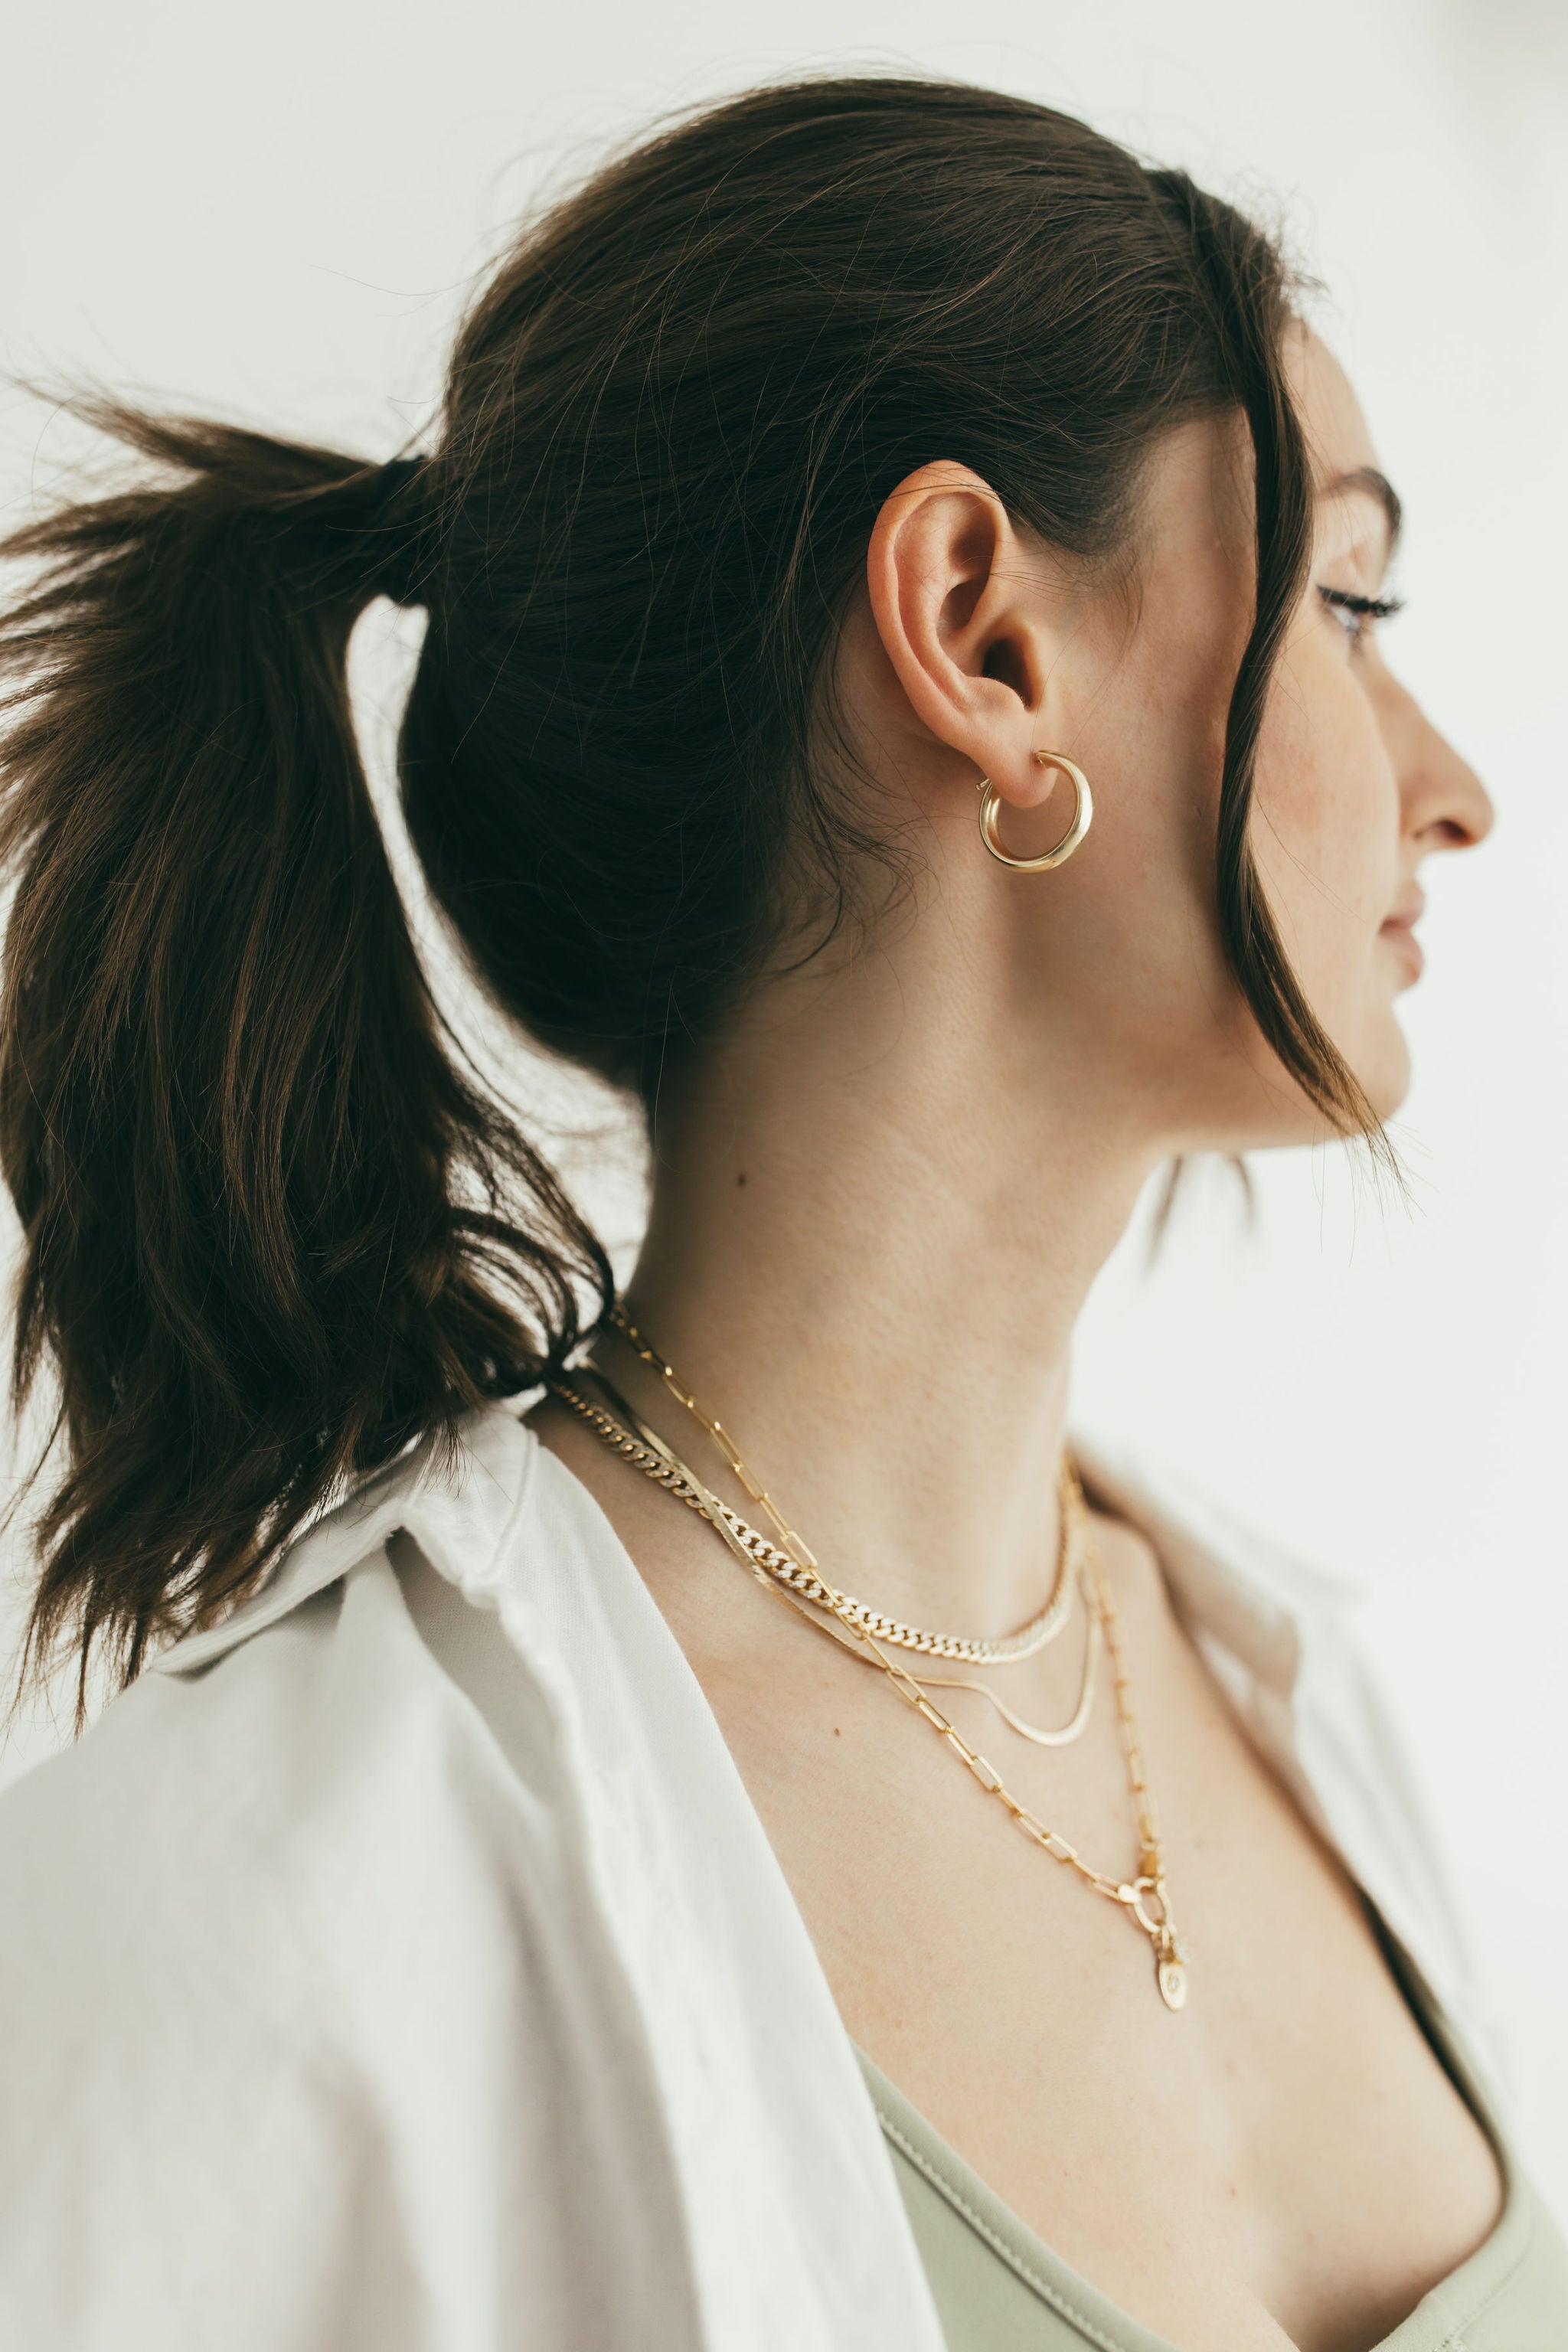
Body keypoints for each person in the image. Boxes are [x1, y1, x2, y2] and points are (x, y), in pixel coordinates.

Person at [0, 71, 1557, 2352]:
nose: (1458, 791)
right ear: (983, 638)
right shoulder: (273, 1911)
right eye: (1345, 598)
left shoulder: (1309, 1704)